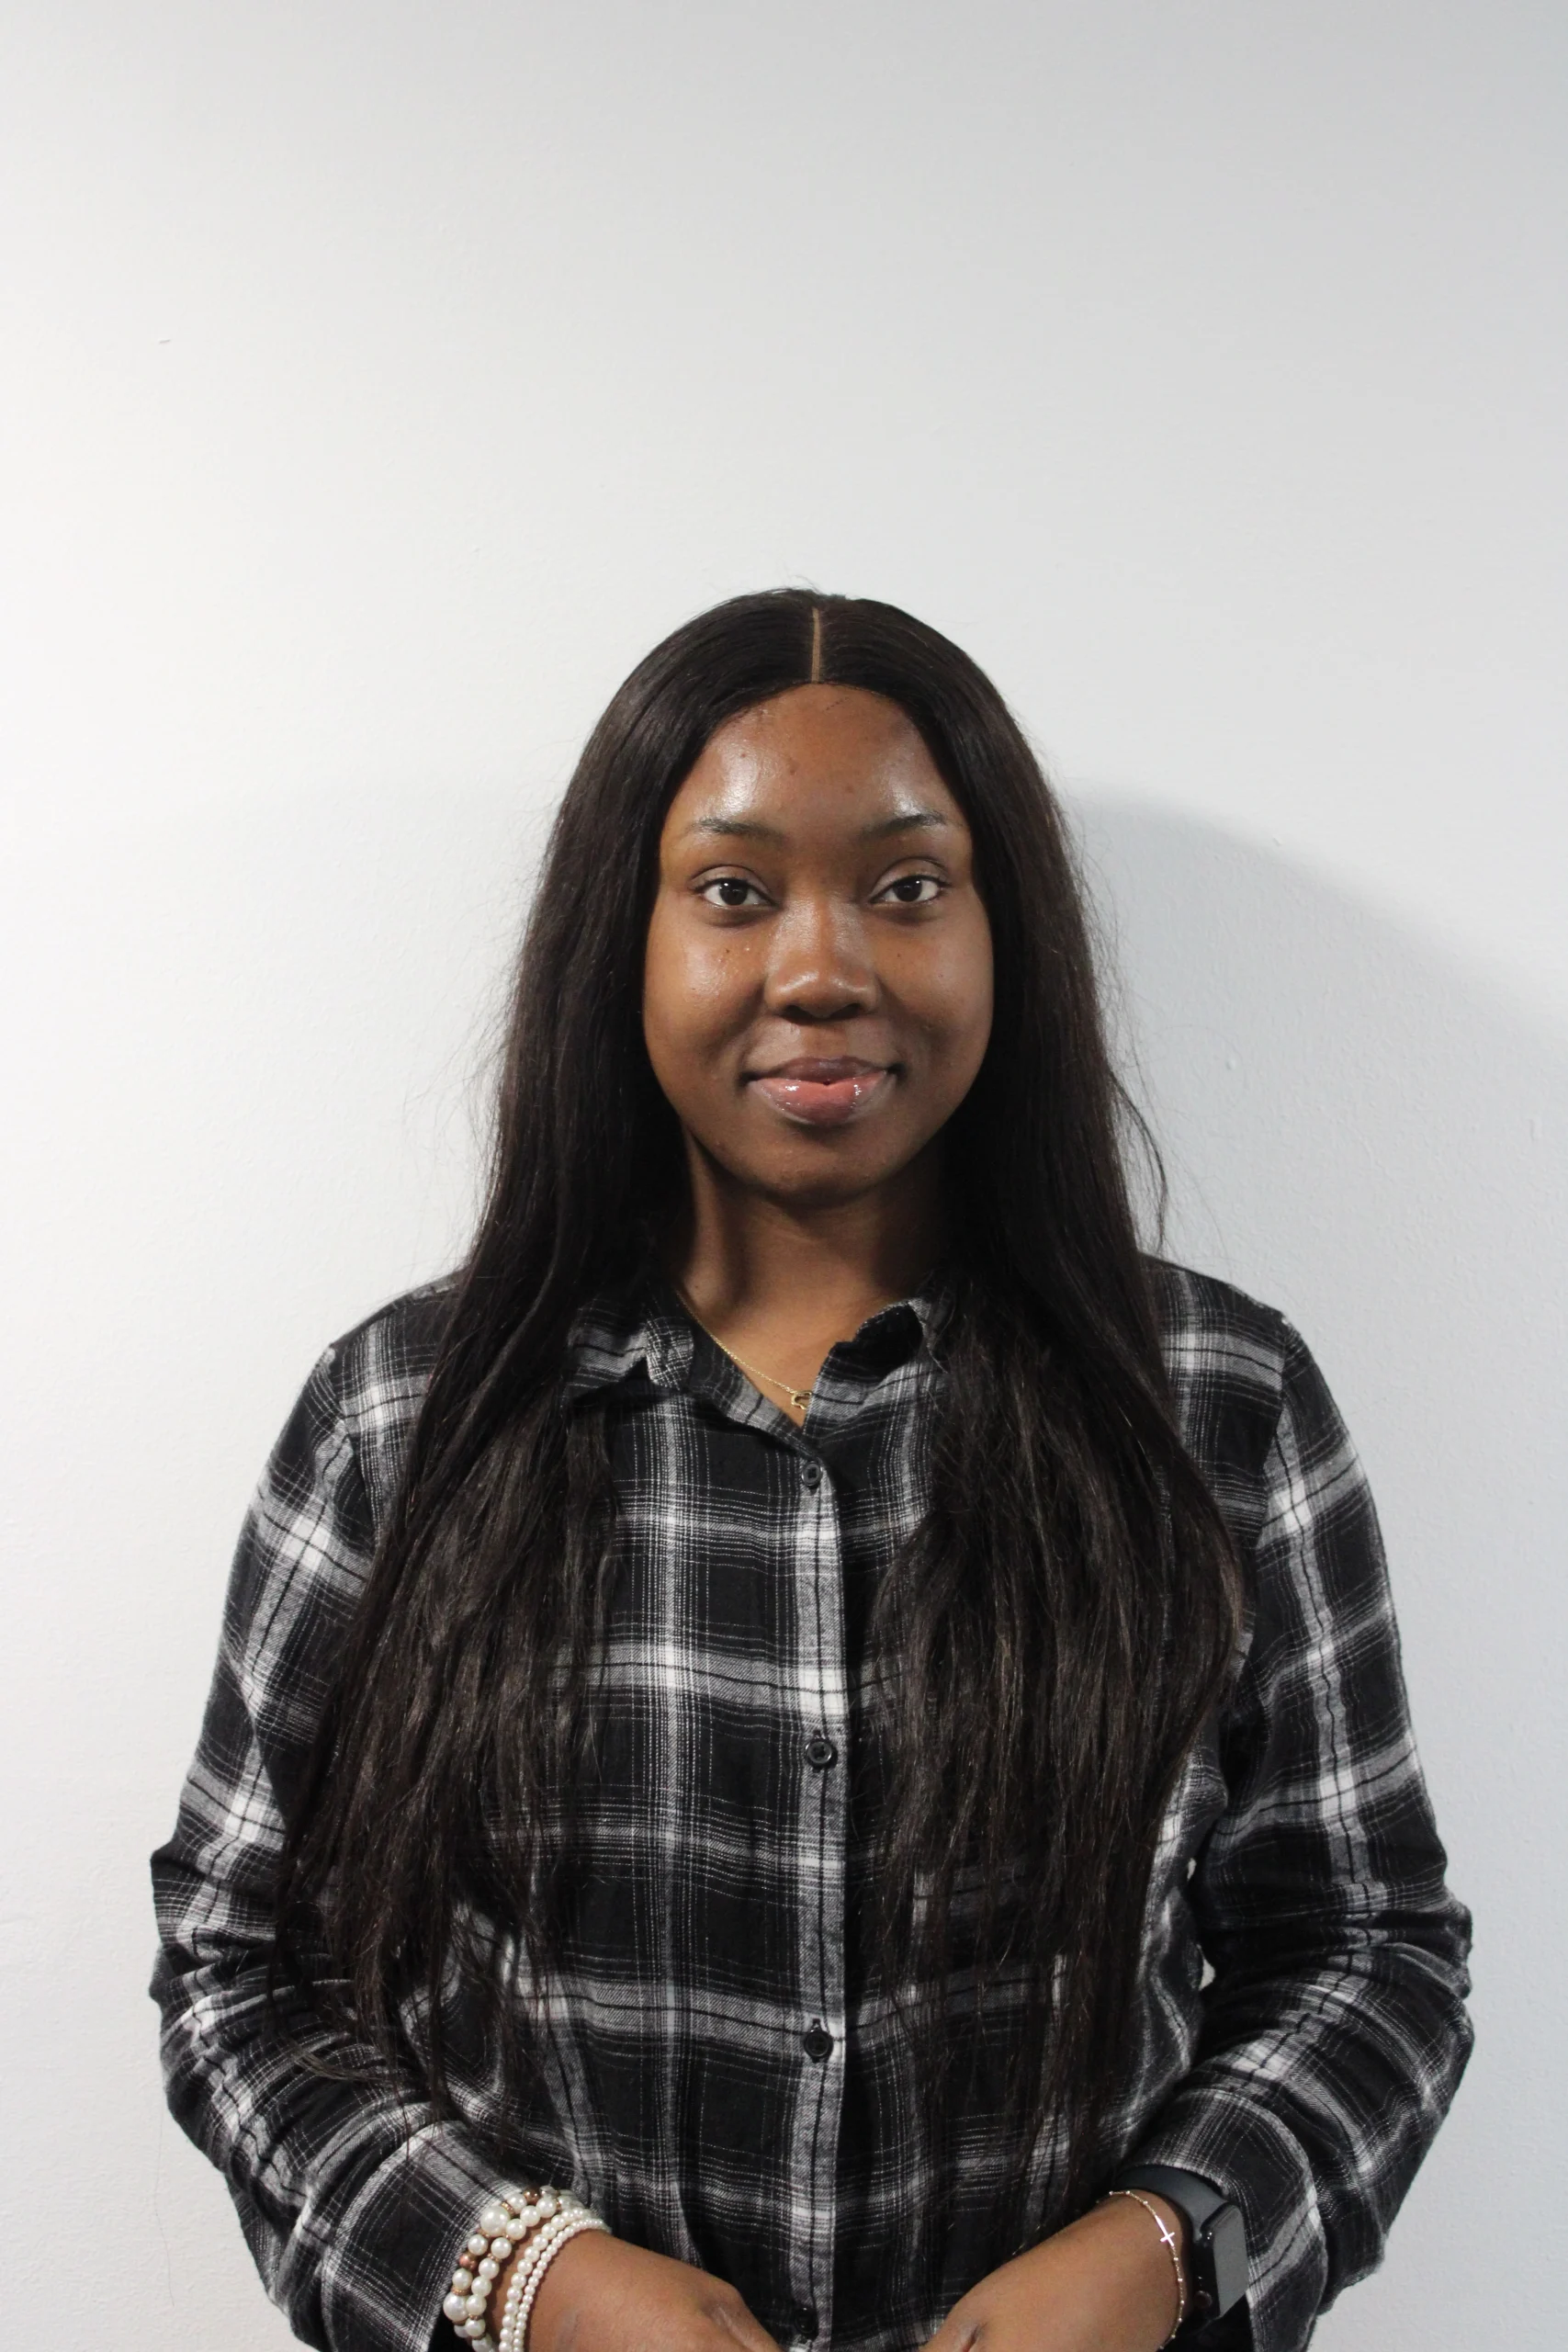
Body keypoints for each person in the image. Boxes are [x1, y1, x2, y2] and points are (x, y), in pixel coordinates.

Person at [152, 590, 1472, 2352]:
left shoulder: (1215, 1410)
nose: (822, 966)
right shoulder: (404, 1421)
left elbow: (1367, 1943)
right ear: (621, 936)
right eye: (733, 888)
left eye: (908, 887)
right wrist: (521, 2279)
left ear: (1009, 935)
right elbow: (243, 1966)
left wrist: (1167, 2246)